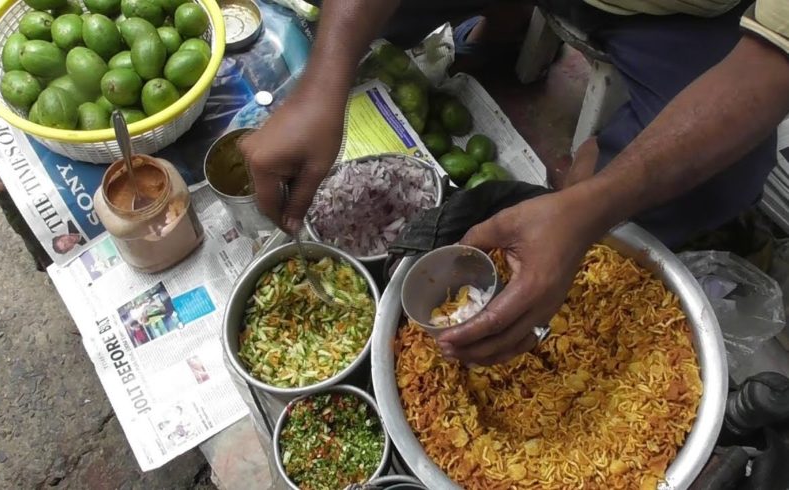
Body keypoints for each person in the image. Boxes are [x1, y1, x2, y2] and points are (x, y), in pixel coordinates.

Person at [238, 0, 789, 367]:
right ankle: (508, 25)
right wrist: (325, 79)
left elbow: (775, 60)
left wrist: (591, 204)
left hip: (683, 14)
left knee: (719, 179)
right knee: (348, 19)